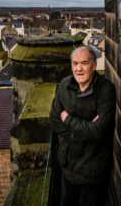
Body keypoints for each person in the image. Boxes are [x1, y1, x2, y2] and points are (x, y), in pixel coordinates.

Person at [49, 45, 116, 206]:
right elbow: (54, 121)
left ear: (94, 65)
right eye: (75, 63)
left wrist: (68, 119)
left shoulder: (106, 90)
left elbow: (99, 131)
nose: (78, 69)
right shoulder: (64, 85)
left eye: (84, 63)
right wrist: (86, 129)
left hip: (92, 170)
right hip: (68, 167)